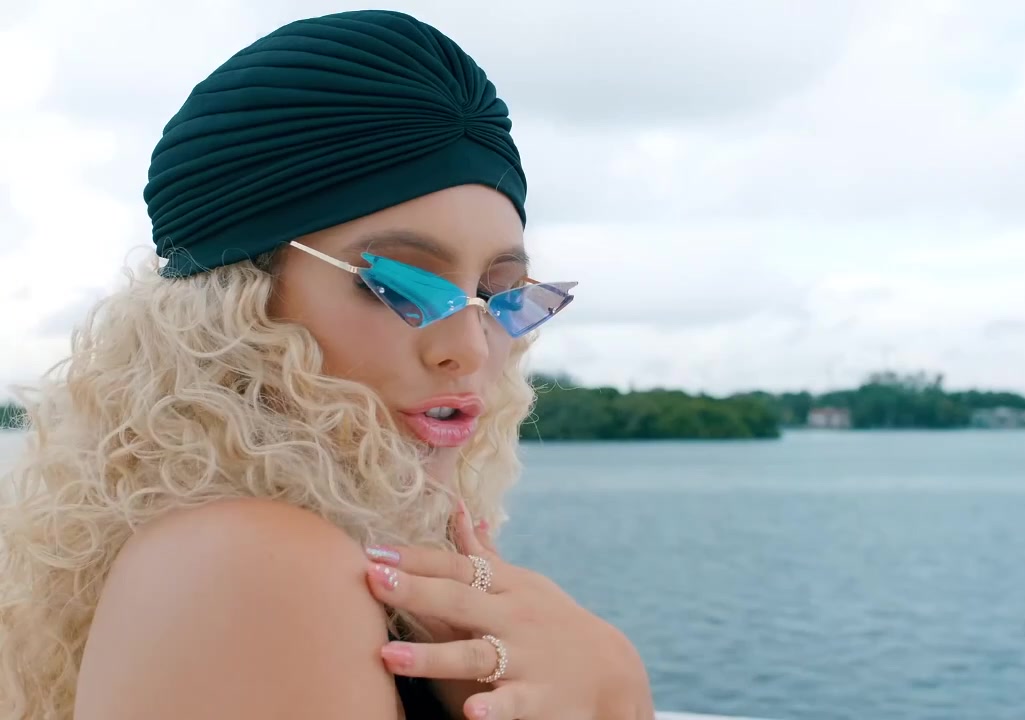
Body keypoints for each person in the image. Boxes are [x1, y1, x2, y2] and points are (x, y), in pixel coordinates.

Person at [0, 10, 654, 720]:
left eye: (502, 297)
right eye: (402, 288)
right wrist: (615, 688)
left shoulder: (260, 555)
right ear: (234, 307)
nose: (470, 348)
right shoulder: (252, 561)